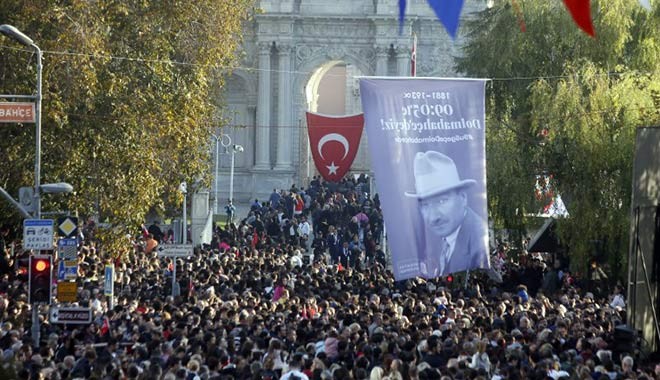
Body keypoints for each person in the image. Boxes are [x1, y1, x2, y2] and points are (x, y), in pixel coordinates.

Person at [404, 151, 489, 277]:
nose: (433, 217)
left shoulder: (477, 245)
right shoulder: (443, 239)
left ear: (463, 197)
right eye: (425, 205)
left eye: (442, 201)